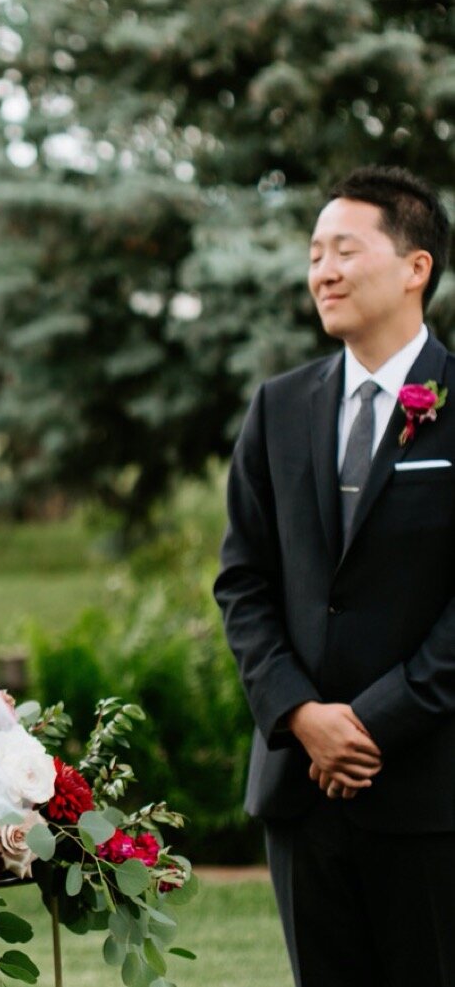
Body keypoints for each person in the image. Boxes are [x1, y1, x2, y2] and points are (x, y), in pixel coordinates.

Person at [217, 165, 455, 986]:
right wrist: (300, 713)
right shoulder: (279, 408)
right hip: (299, 790)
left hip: (432, 792)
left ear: (415, 266)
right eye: (315, 252)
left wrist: (374, 721)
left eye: (345, 250)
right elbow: (242, 580)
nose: (323, 270)